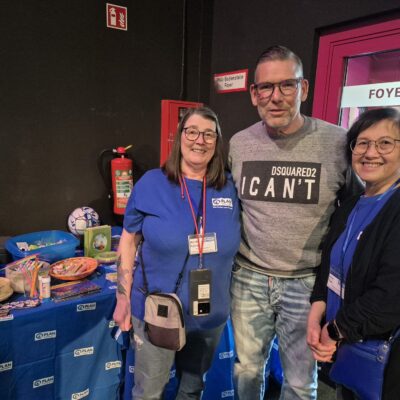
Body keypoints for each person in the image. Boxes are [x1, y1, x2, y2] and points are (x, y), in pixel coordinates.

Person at [228, 45, 358, 399]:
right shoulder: (239, 144)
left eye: (287, 85)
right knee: (246, 369)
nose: (276, 97)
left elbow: (357, 212)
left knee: (300, 383)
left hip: (306, 283)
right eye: (266, 87)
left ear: (304, 88)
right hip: (249, 279)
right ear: (254, 94)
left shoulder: (338, 142)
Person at [113, 106, 241, 399]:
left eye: (209, 134)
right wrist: (122, 297)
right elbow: (129, 241)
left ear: (217, 141)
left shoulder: (230, 187)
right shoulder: (152, 183)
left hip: (208, 313)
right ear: (180, 137)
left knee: (192, 389)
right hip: (157, 310)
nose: (200, 141)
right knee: (149, 391)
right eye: (192, 132)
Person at [307, 107, 400, 400]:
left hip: (383, 363)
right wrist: (315, 315)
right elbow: (329, 268)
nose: (371, 152)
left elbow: (389, 297)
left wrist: (334, 331)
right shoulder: (349, 206)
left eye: (385, 143)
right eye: (363, 143)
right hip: (348, 351)